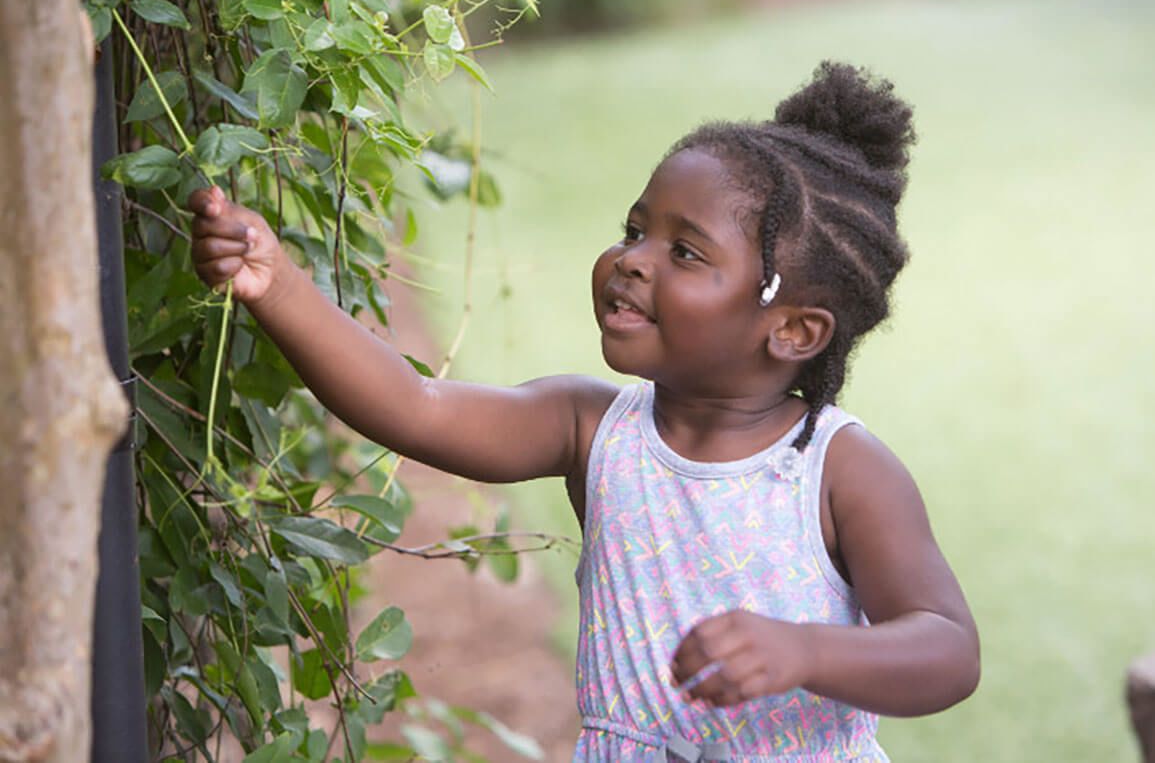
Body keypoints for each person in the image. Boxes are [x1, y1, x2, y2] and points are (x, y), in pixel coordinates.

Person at [189, 61, 979, 762]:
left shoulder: (837, 468)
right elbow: (411, 405)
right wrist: (277, 284)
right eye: (635, 230)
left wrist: (805, 650)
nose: (631, 259)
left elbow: (946, 648)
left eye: (685, 251)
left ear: (793, 329)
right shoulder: (591, 428)